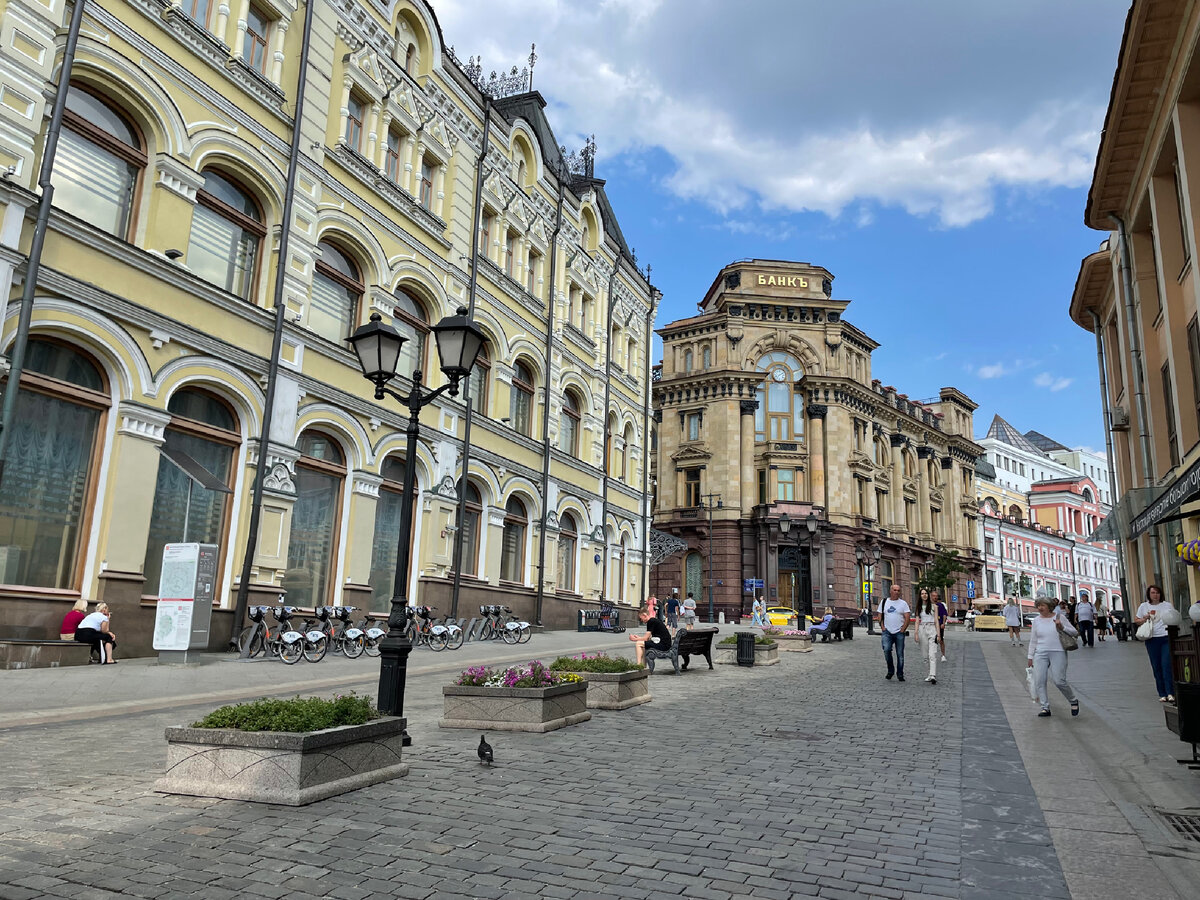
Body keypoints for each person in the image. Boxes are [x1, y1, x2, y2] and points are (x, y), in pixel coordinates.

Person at [1027, 594, 1080, 718]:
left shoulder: (1059, 617)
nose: (1040, 608)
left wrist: (1062, 627)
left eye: (1043, 605)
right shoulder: (1036, 621)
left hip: (1058, 651)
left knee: (1059, 681)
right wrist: (1030, 656)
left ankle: (1073, 700)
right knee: (1040, 680)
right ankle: (1045, 707)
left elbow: (1075, 632)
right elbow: (1033, 640)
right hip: (1041, 652)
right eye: (1038, 605)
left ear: (1049, 606)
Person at [1134, 584, 1175, 703]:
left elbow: (1173, 617)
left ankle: (1170, 692)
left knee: (1166, 665)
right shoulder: (1144, 606)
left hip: (1166, 637)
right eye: (1153, 593)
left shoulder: (1167, 605)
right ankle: (1162, 693)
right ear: (1149, 594)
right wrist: (1145, 618)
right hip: (1152, 638)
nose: (1155, 595)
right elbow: (1136, 620)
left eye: (1157, 593)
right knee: (1156, 666)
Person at [879, 584, 911, 682]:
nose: (896, 592)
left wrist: (903, 629)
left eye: (898, 590)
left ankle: (900, 674)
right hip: (887, 632)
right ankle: (890, 670)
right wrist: (883, 627)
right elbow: (880, 615)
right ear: (890, 591)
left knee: (900, 654)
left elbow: (907, 617)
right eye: (895, 590)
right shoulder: (884, 602)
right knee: (886, 650)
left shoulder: (903, 603)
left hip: (899, 632)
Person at [914, 588, 940, 685]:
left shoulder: (934, 606)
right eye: (922, 594)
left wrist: (938, 634)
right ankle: (929, 673)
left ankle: (933, 675)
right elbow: (917, 621)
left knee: (932, 654)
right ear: (920, 596)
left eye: (925, 593)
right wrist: (916, 633)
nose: (924, 595)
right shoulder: (919, 607)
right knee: (925, 655)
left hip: (932, 628)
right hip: (922, 629)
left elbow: (936, 621)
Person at [932, 588, 948, 662]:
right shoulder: (929, 605)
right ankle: (932, 655)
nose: (935, 597)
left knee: (941, 640)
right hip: (932, 625)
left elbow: (944, 614)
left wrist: (943, 623)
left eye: (936, 596)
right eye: (933, 596)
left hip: (939, 624)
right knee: (932, 640)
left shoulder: (940, 605)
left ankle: (943, 655)